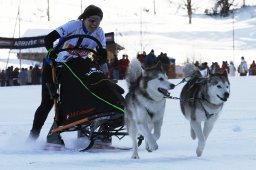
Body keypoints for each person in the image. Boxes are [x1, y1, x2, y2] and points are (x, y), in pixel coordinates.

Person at [27, 5, 107, 145]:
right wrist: (51, 50)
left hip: (75, 68)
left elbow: (103, 53)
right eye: (91, 20)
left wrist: (102, 58)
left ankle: (82, 134)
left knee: (83, 97)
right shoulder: (74, 25)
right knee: (48, 102)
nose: (94, 24)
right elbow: (48, 38)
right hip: (54, 65)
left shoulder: (99, 33)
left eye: (98, 21)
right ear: (84, 18)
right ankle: (33, 137)